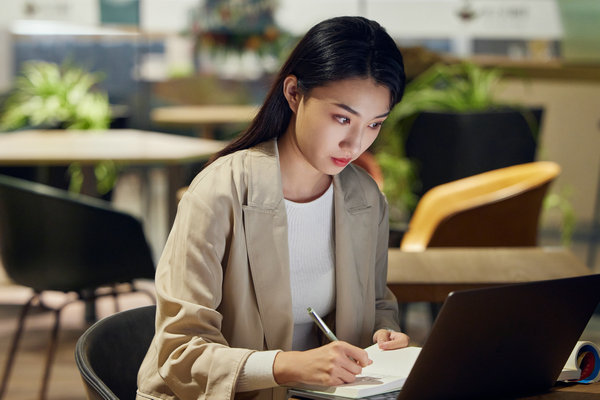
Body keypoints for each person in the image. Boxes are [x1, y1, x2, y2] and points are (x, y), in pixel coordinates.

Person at [137, 16, 409, 400]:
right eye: (343, 118)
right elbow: (180, 352)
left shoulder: (364, 198)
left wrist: (382, 334)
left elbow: (378, 302)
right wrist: (287, 366)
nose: (354, 144)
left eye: (374, 124)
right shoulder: (219, 192)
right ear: (294, 93)